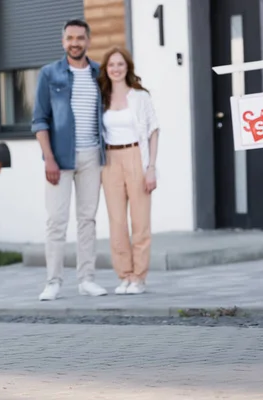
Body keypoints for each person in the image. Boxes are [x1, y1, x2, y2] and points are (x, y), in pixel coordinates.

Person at [32, 19, 108, 301]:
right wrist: (49, 158)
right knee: (56, 221)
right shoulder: (49, 73)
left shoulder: (100, 73)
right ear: (63, 41)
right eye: (70, 38)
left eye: (80, 38)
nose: (75, 42)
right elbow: (39, 120)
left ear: (88, 40)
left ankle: (87, 279)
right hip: (59, 158)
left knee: (87, 220)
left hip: (92, 156)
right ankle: (53, 282)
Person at [97, 47, 160, 295]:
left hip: (136, 156)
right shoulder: (101, 97)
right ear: (106, 69)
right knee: (117, 222)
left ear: (127, 67)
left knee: (140, 221)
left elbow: (153, 131)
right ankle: (124, 274)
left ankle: (139, 277)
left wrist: (151, 167)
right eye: (111, 65)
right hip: (110, 160)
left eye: (120, 64)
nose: (116, 69)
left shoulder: (140, 97)